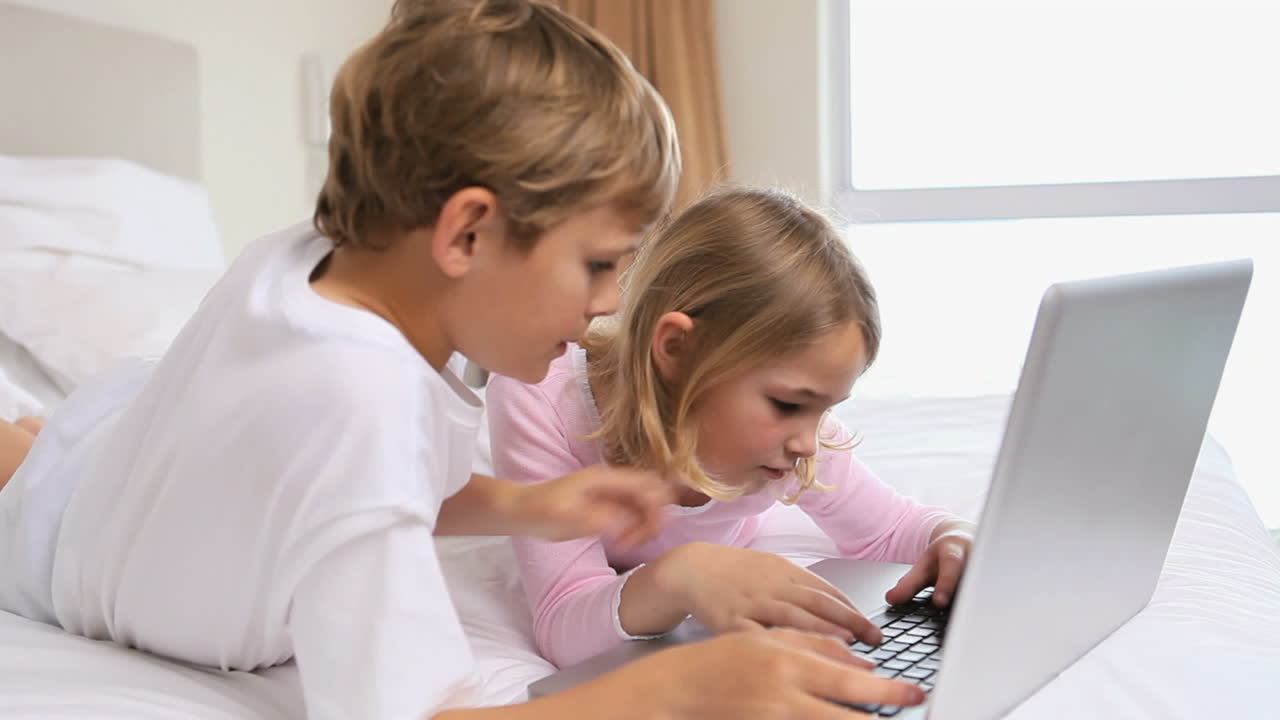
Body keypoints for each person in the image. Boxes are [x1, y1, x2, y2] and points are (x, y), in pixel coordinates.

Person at [0, 2, 925, 718]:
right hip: (69, 544)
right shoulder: (351, 413)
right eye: (599, 264)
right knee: (32, 466)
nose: (611, 303)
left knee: (61, 444)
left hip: (132, 454)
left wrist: (525, 505)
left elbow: (378, 480)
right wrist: (690, 687)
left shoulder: (327, 260)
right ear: (469, 230)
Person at [488, 186, 977, 669]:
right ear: (677, 350)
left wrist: (950, 534)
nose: (808, 443)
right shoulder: (541, 397)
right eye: (787, 403)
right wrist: (680, 575)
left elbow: (889, 529)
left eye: (824, 409)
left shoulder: (794, 439)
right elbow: (563, 624)